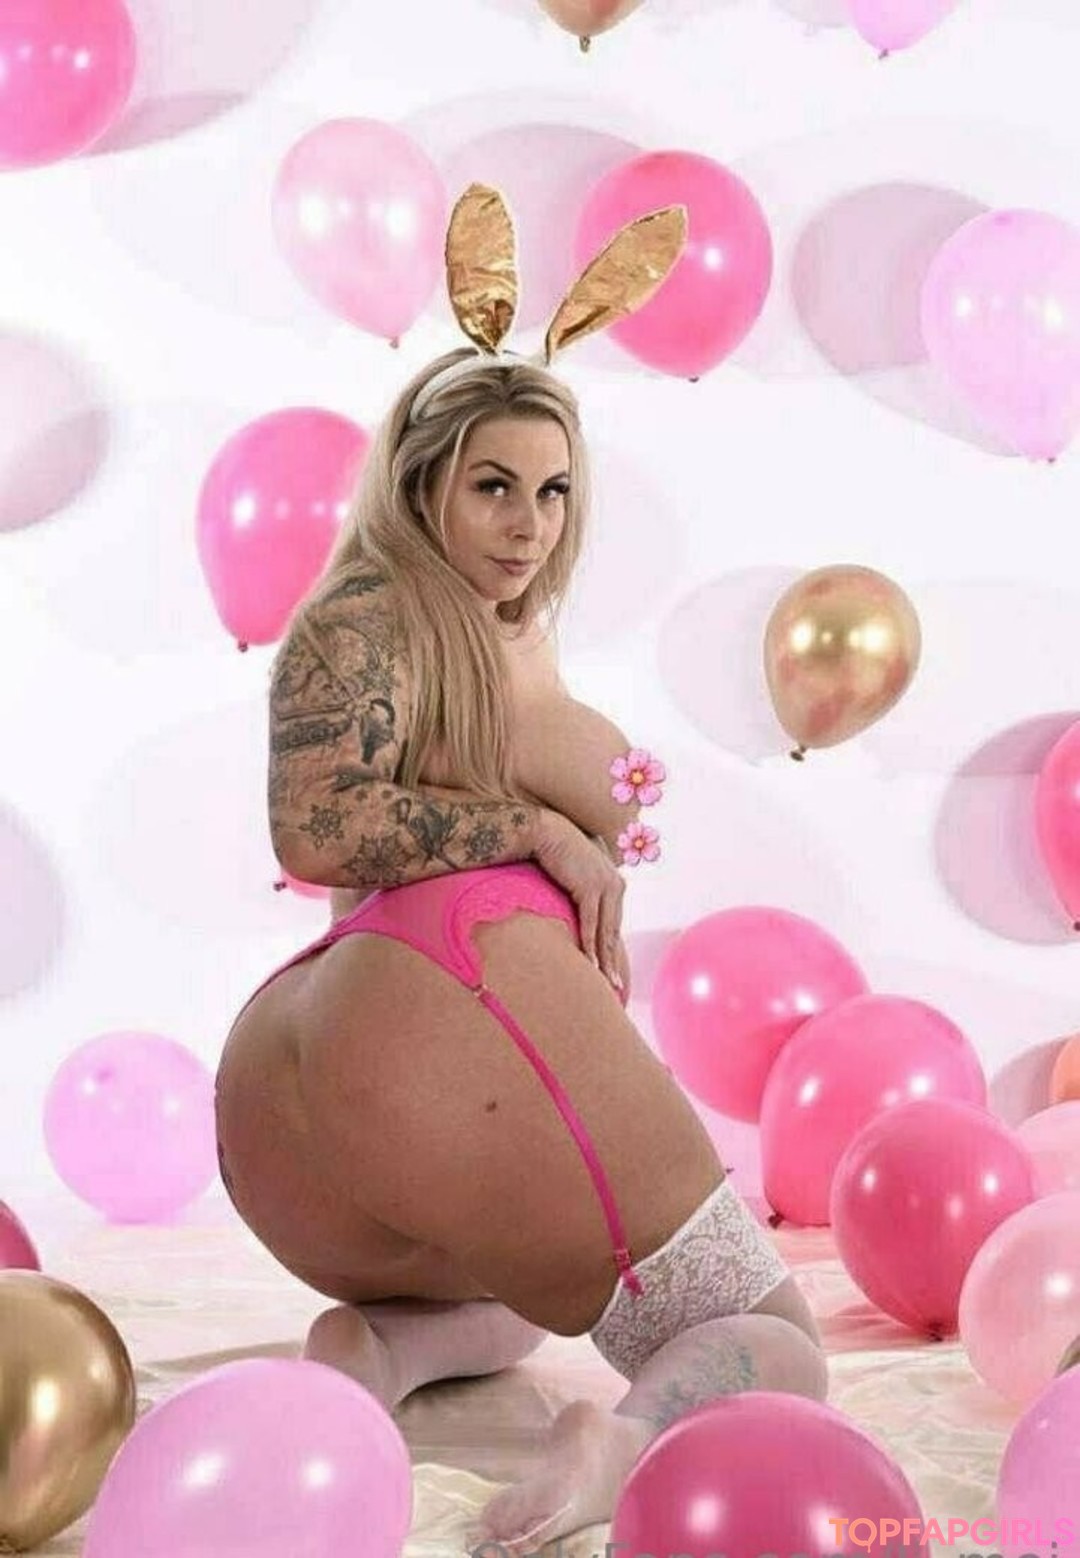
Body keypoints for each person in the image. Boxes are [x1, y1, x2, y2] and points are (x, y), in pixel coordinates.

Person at [214, 189, 827, 1557]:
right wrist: (540, 830)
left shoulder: (472, 627)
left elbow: (596, 792)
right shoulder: (374, 609)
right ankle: (621, 1438)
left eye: (552, 491)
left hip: (306, 1106)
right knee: (778, 1338)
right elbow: (314, 829)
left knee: (511, 1303)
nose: (529, 522)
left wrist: (583, 801)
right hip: (442, 1009)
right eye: (493, 485)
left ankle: (376, 1349)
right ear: (419, 480)